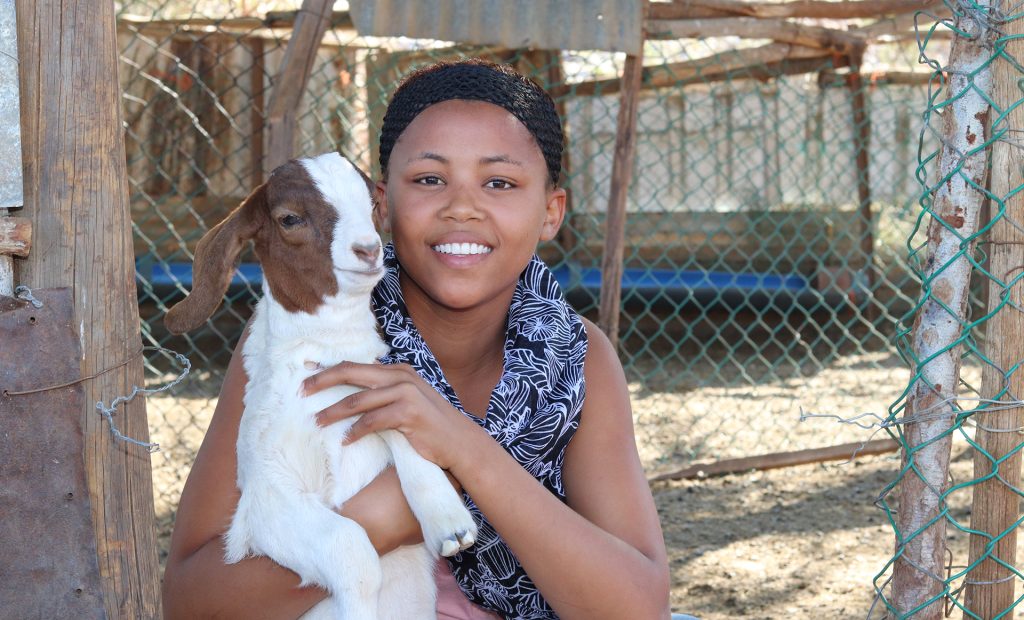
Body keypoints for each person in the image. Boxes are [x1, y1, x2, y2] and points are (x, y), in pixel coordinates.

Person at [161, 59, 671, 620]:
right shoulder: (302, 337)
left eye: (499, 182)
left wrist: (464, 451)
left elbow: (639, 608)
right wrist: (389, 511)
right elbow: (192, 600)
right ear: (378, 206)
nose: (461, 207)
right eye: (429, 180)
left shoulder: (576, 357)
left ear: (551, 213)